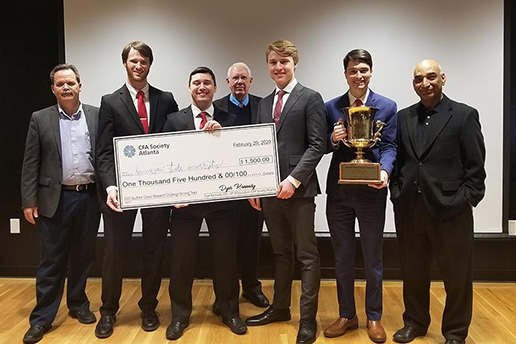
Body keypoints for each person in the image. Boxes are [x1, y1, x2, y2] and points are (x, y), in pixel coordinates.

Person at [389, 59, 486, 344]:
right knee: (413, 272)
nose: (425, 83)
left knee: (456, 276)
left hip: (451, 210)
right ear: (413, 83)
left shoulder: (464, 115)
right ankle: (415, 322)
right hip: (410, 208)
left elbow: (475, 165)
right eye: (418, 79)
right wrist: (396, 192)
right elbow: (400, 161)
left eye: (431, 76)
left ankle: (455, 332)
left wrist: (468, 198)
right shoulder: (403, 117)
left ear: (443, 78)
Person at [95, 41, 179, 338]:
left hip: (157, 189)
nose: (138, 65)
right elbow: (103, 152)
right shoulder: (111, 101)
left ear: (149, 64)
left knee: (154, 249)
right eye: (133, 61)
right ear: (125, 64)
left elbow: (178, 144)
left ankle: (148, 307)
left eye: (143, 61)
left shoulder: (166, 99)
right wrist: (109, 185)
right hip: (122, 189)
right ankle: (108, 311)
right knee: (115, 251)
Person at [245, 39, 327, 344]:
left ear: (295, 63)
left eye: (284, 62)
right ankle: (280, 308)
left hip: (300, 192)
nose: (278, 67)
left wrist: (293, 180)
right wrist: (254, 185)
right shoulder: (264, 103)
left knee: (306, 255)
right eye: (273, 62)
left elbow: (317, 145)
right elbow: (256, 146)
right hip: (268, 192)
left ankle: (307, 320)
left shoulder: (310, 98)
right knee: (280, 252)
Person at [163, 66, 247, 340]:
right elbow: (164, 162)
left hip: (222, 203)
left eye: (207, 83)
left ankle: (230, 311)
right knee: (181, 260)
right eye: (196, 83)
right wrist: (171, 195)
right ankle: (179, 316)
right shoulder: (174, 120)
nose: (202, 87)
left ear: (215, 89)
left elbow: (238, 157)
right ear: (189, 88)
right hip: (185, 205)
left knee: (226, 259)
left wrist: (223, 137)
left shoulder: (230, 119)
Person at [21, 64, 101, 344]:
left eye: (71, 82)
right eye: (60, 84)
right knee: (51, 260)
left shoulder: (96, 115)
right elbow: (31, 162)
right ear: (52, 89)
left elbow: (105, 156)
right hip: (55, 199)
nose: (66, 87)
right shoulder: (40, 119)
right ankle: (42, 318)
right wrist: (29, 200)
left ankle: (78, 304)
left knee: (83, 256)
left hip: (90, 197)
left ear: (80, 85)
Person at [323, 49, 397, 343]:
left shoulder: (388, 107)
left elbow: (391, 146)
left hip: (371, 192)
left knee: (373, 258)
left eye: (364, 70)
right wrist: (332, 139)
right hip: (339, 194)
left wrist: (385, 172)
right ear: (345, 74)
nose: (359, 76)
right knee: (341, 257)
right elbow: (321, 146)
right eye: (353, 71)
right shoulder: (331, 107)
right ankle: (347, 315)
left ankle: (374, 317)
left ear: (371, 72)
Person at [213, 62, 270, 310]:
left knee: (251, 241)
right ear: (227, 82)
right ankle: (225, 295)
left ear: (251, 81)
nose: (239, 82)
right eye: (234, 78)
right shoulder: (215, 109)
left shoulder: (263, 106)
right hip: (224, 190)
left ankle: (250, 288)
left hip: (254, 190)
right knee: (225, 245)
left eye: (243, 78)